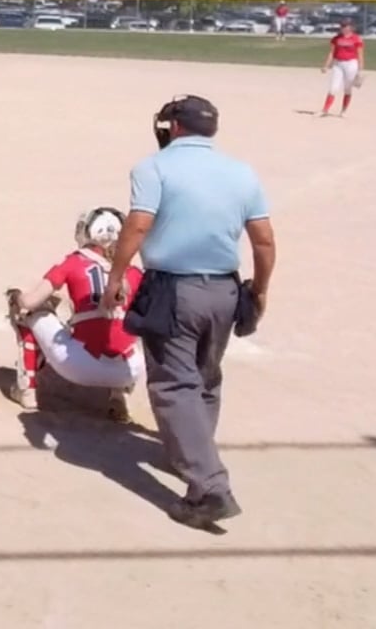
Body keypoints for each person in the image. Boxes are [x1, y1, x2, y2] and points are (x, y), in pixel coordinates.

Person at [101, 95, 275, 530]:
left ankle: (209, 488)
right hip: (225, 289)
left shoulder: (154, 167)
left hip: (173, 288)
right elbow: (264, 240)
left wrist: (116, 276)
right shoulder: (241, 171)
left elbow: (138, 224)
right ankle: (191, 454)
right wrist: (259, 290)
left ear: (174, 126)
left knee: (174, 385)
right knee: (205, 377)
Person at [5, 208, 144, 421]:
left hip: (79, 365)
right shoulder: (134, 272)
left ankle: (27, 389)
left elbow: (30, 301)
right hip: (129, 369)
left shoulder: (74, 261)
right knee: (127, 328)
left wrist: (16, 297)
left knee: (30, 312)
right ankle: (119, 397)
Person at [319, 19, 364, 117]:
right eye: (342, 26)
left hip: (351, 64)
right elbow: (332, 53)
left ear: (351, 27)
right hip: (338, 64)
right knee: (333, 88)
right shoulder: (336, 39)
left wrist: (360, 70)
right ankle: (325, 110)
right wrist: (326, 66)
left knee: (347, 89)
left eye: (345, 26)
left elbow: (360, 55)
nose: (343, 28)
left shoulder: (356, 39)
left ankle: (343, 111)